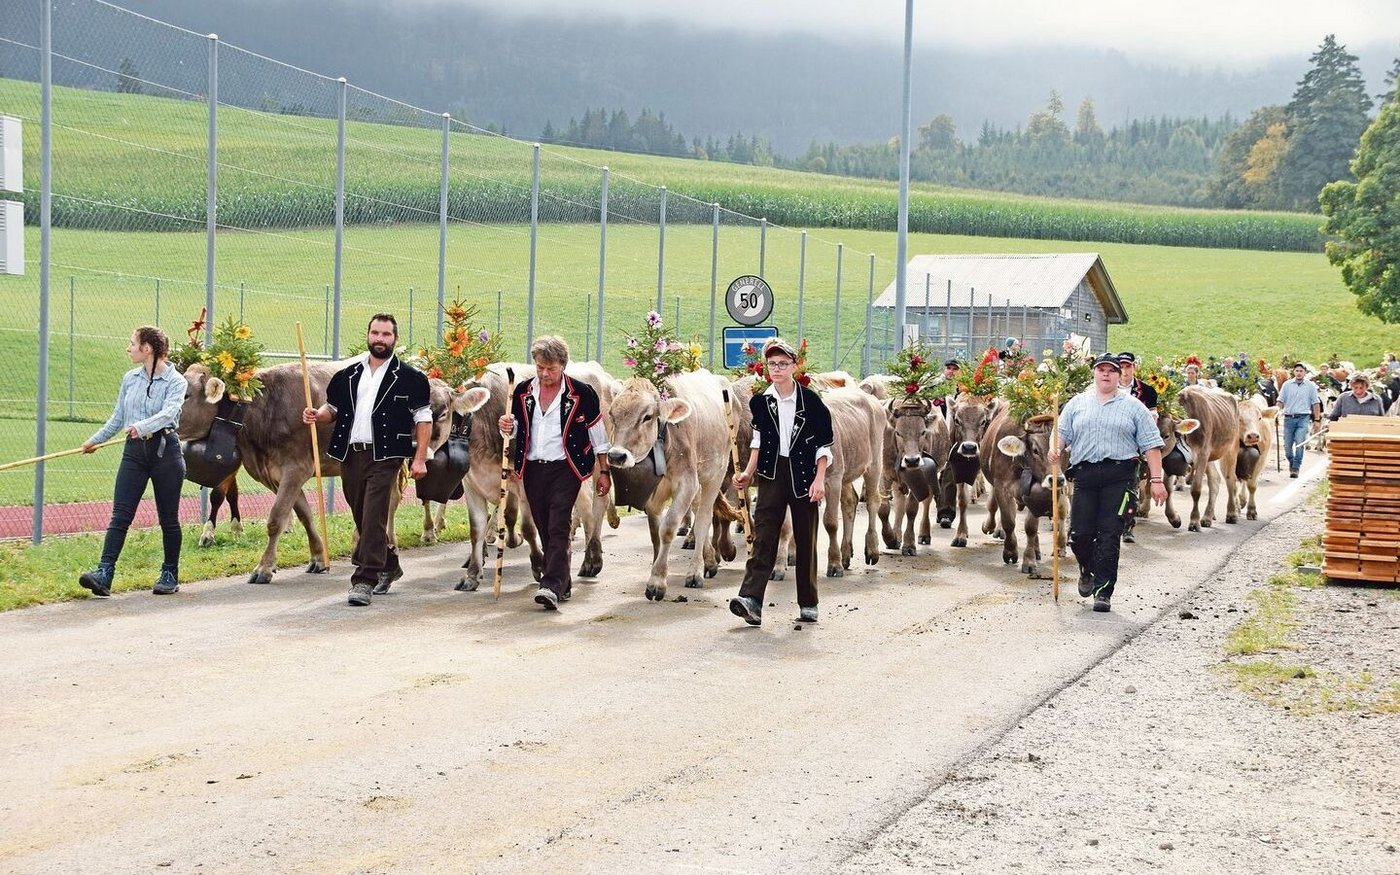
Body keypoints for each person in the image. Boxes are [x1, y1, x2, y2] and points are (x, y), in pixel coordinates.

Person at [303, 314, 431, 607]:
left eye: (386, 334)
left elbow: (423, 418)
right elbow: (331, 409)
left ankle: (364, 579)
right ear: (368, 335)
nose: (380, 339)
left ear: (395, 339)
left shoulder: (411, 379)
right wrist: (316, 416)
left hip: (386, 455)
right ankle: (389, 564)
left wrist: (420, 458)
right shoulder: (347, 375)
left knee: (374, 513)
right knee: (362, 515)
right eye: (375, 333)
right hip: (350, 454)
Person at [499, 336, 611, 611]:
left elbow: (597, 434)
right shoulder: (523, 392)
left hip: (567, 466)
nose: (544, 374)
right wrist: (507, 426)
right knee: (543, 526)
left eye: (550, 368)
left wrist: (604, 470)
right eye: (540, 367)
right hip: (533, 467)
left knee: (558, 524)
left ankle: (549, 585)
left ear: (562, 364)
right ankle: (563, 582)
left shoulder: (581, 393)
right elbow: (517, 430)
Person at [1049, 353, 1166, 613]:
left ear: (1119, 375)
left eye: (1112, 370)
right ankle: (1087, 569)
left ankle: (1103, 591)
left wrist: (1157, 480)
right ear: (1094, 373)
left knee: (1109, 534)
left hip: (1120, 476)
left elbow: (1152, 445)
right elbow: (1061, 433)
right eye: (1101, 369)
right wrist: (1055, 449)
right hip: (1085, 476)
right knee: (1079, 535)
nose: (1106, 374)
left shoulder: (1134, 407)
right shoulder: (1077, 404)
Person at [728, 338, 834, 626]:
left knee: (805, 537)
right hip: (771, 473)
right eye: (772, 364)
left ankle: (808, 602)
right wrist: (748, 473)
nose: (777, 368)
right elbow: (758, 441)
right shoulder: (761, 402)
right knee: (763, 536)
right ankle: (752, 600)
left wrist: (819, 479)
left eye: (783, 364)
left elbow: (824, 446)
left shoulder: (811, 402)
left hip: (803, 475)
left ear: (793, 366)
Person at [78, 326, 188, 597]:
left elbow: (169, 413)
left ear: (147, 348)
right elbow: (118, 417)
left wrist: (142, 426)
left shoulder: (177, 381)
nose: (128, 348)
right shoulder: (130, 379)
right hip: (134, 453)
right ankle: (104, 573)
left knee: (168, 518)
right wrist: (95, 440)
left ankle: (170, 572)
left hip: (166, 452)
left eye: (132, 343)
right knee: (120, 515)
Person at [1276, 363, 1322, 478]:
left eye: (1301, 371)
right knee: (1287, 447)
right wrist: (1275, 413)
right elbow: (1280, 401)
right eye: (1297, 371)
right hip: (1288, 418)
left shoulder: (1311, 386)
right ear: (1294, 372)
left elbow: (1315, 403)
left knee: (1300, 443)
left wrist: (1317, 420)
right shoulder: (1287, 385)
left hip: (1303, 417)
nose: (1299, 373)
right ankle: (1292, 461)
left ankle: (1296, 468)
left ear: (1305, 372)